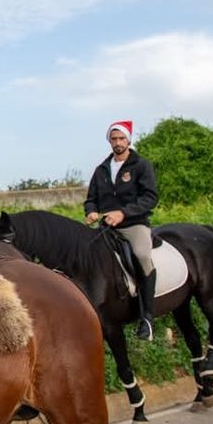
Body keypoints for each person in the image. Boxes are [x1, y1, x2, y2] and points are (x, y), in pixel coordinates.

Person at [84, 120, 160, 340]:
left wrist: (124, 213)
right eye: (114, 139)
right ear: (109, 141)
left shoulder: (141, 165)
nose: (117, 143)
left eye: (121, 139)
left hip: (133, 224)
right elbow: (91, 199)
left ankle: (147, 317)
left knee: (142, 255)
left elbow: (150, 197)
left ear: (128, 140)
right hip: (106, 226)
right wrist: (91, 211)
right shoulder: (101, 170)